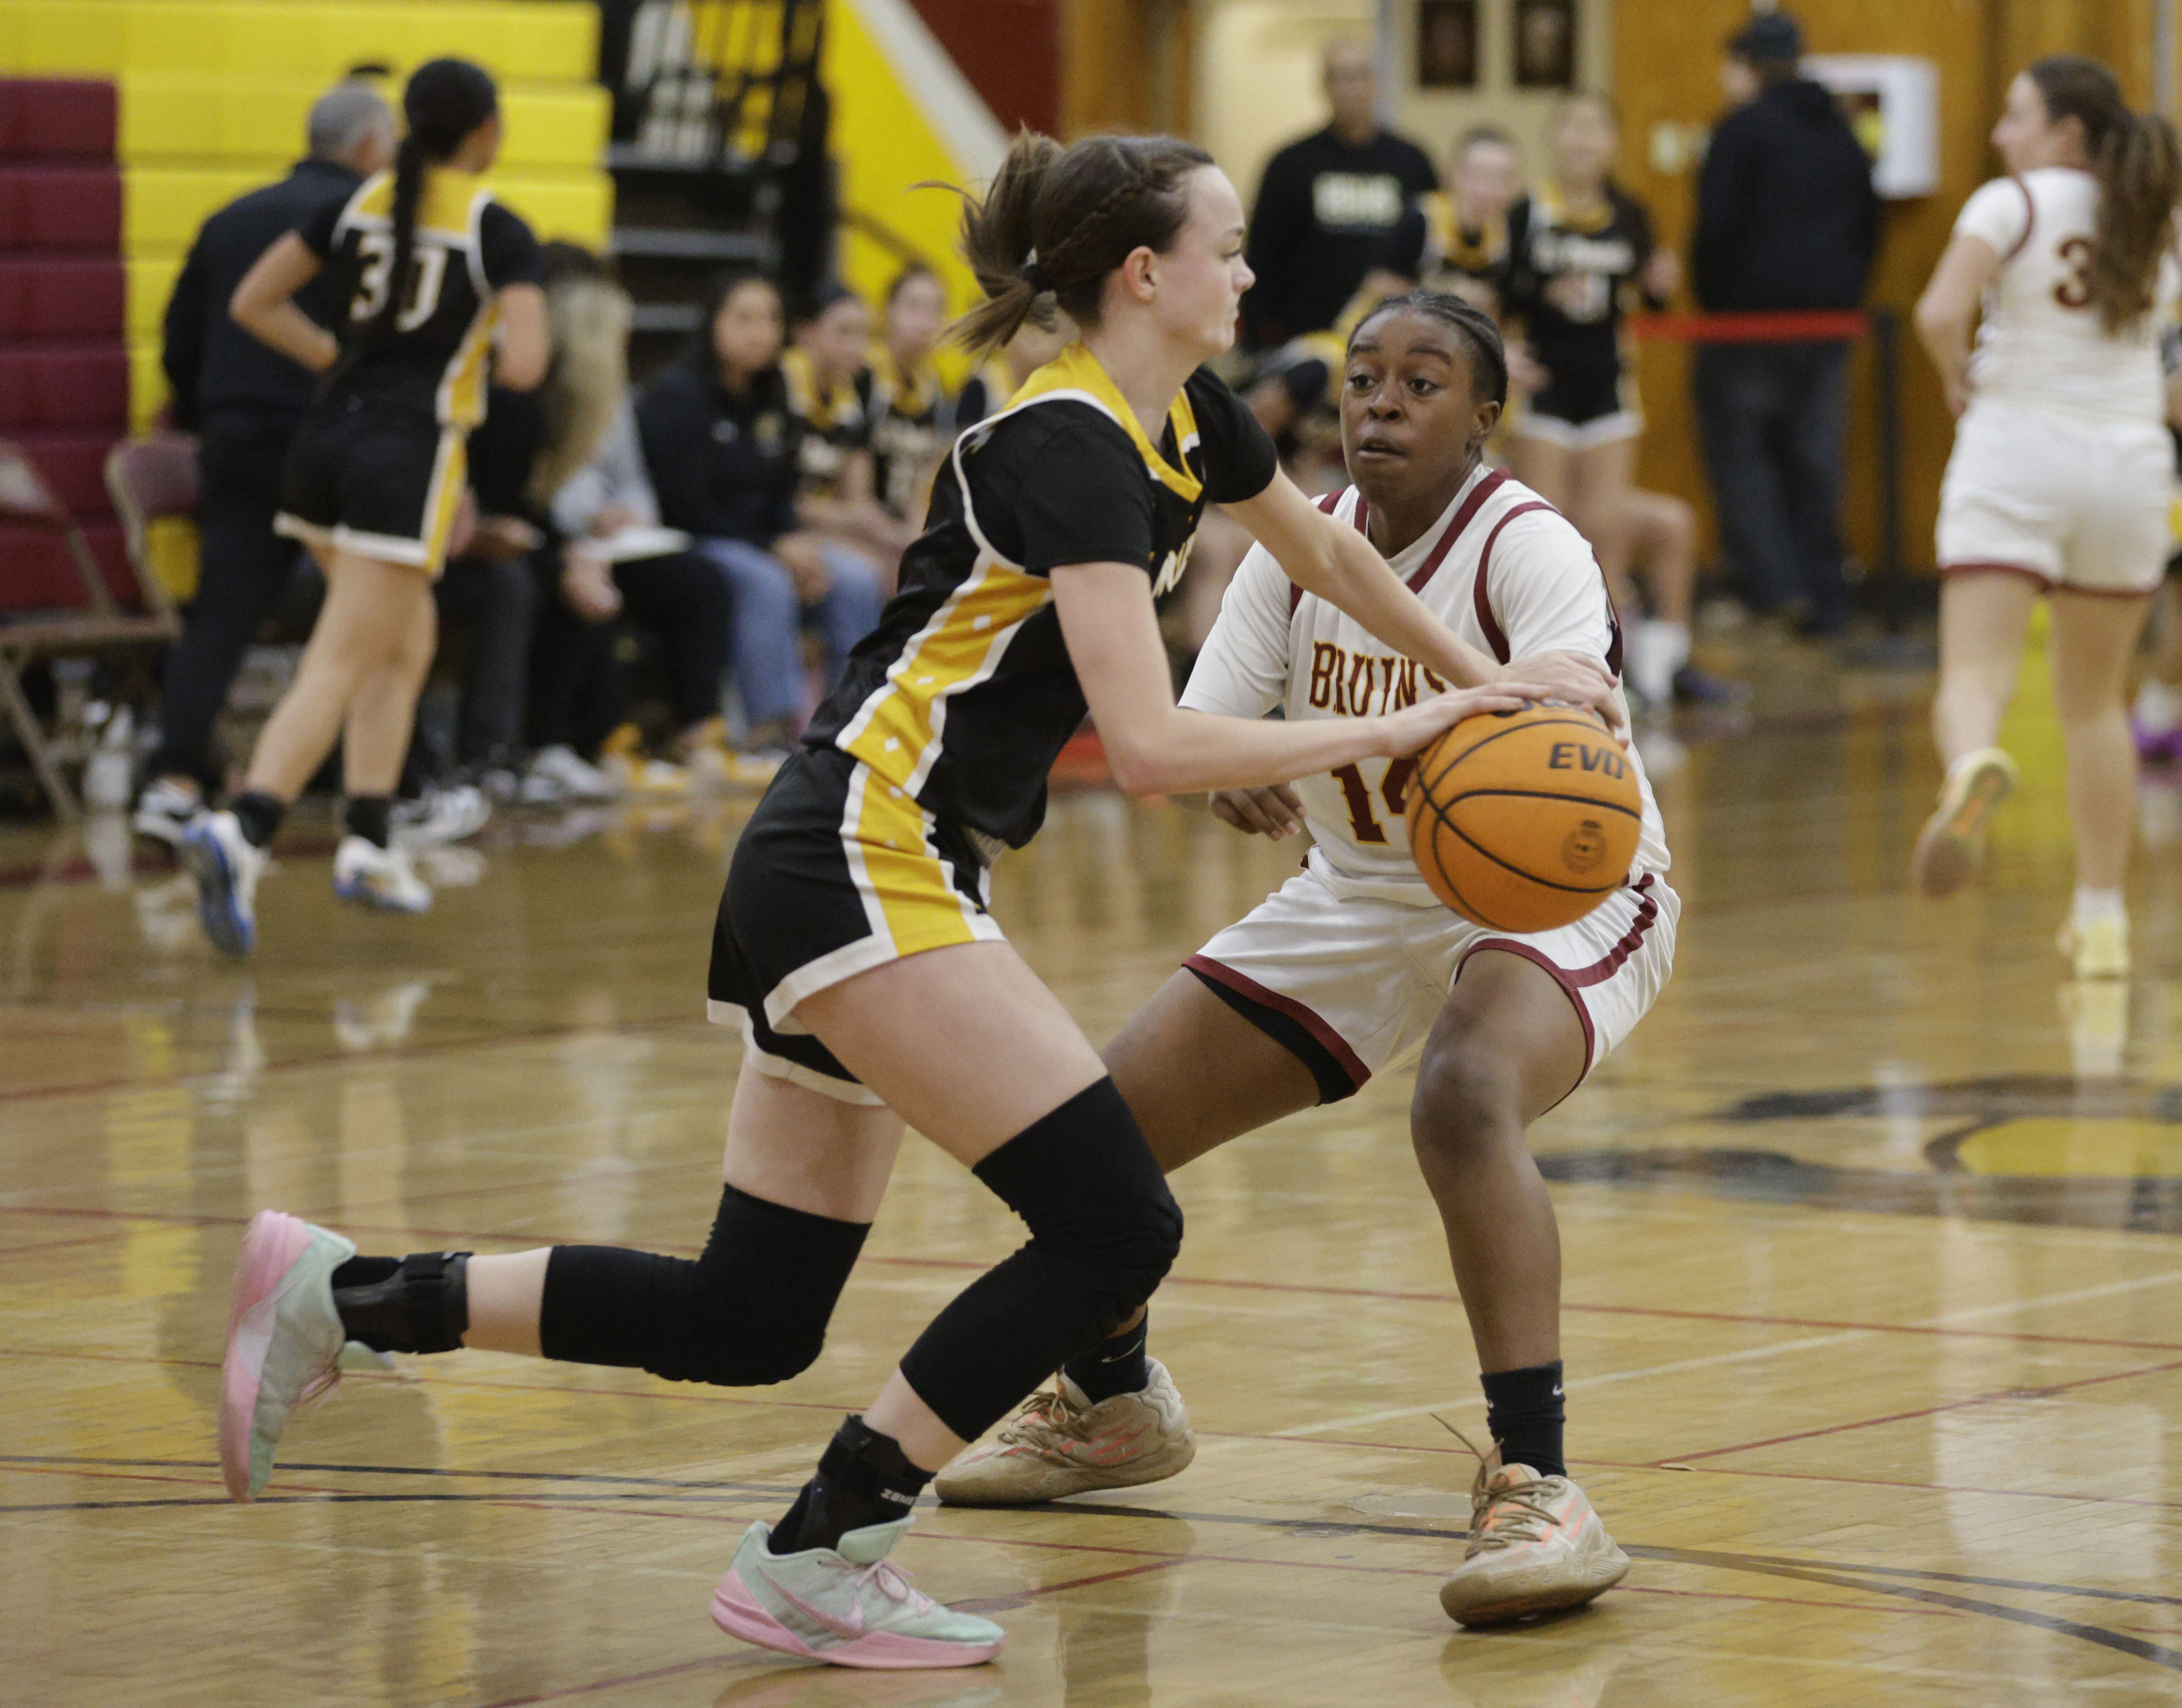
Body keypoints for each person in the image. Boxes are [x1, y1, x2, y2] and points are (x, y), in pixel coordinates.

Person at [217, 130, 1619, 1671]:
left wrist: (1487, 682)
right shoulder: (1069, 445)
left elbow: (1336, 569)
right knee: (1113, 1225)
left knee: (750, 1315)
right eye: (1225, 247)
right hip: (860, 850)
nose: (1246, 272)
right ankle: (826, 1542)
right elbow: (1150, 748)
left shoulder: (1188, 416)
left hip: (856, 858)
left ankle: (348, 1296)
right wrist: (1414, 723)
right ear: (1143, 273)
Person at [930, 291, 1674, 1629]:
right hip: (1359, 891)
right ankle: (1111, 1402)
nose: (1381, 402)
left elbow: (1563, 724)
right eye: (1364, 378)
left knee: (1464, 1096)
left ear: (1482, 417)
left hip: (1551, 890)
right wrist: (1237, 773)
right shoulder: (1296, 550)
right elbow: (1199, 737)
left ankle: (1539, 1480)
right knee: (1093, 1137)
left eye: (1421, 382)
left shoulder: (1527, 543)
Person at [178, 60, 547, 956]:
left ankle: (371, 841)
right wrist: (463, 356)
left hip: (324, 442)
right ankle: (246, 827)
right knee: (346, 652)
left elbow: (253, 302)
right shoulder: (494, 226)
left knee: (404, 639)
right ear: (487, 131)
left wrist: (337, 358)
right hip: (404, 455)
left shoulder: (359, 202)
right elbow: (527, 365)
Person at [1910, 56, 2182, 978]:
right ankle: (2102, 920)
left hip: (2017, 445)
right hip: (2128, 463)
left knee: (1974, 672)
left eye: (2014, 115)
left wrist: (1955, 375)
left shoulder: (2009, 203)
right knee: (2095, 704)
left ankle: (1972, 768)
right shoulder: (2156, 219)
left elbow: (1937, 312)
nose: (1999, 135)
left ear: (2064, 133)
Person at [133, 82, 397, 846]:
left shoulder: (231, 217)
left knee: (222, 615)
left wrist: (211, 418)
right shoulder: (368, 222)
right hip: (334, 443)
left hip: (239, 441)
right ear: (367, 146)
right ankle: (392, 790)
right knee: (375, 618)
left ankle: (174, 781)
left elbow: (181, 340)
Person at [638, 269, 882, 756]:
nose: (760, 332)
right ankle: (770, 733)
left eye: (771, 319)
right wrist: (776, 546)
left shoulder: (771, 397)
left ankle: (848, 728)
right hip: (695, 541)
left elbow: (780, 493)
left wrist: (796, 540)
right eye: (744, 319)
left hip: (760, 541)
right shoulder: (677, 396)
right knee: (766, 581)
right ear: (713, 322)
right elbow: (686, 508)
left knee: (857, 578)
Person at [1690, 10, 1879, 635]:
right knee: (1815, 461)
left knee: (1742, 456)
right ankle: (1826, 594)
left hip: (1746, 325)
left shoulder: (1740, 130)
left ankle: (1774, 589)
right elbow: (1867, 226)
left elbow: (1715, 229)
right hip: (1827, 325)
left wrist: (1714, 304)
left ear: (1747, 65)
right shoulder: (1843, 131)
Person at [526, 244, 736, 798]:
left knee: (701, 580)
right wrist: (588, 518)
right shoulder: (540, 390)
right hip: (564, 535)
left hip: (615, 540)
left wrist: (632, 514)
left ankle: (698, 732)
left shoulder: (613, 389)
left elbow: (634, 476)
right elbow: (541, 482)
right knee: (584, 590)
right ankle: (597, 740)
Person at [1242, 39, 1438, 348]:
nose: (1351, 88)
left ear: (1376, 83)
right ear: (1324, 87)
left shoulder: (1412, 162)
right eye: (1340, 78)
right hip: (1307, 340)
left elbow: (1435, 247)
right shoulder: (1289, 164)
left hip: (1398, 341)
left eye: (1359, 76)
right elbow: (1263, 255)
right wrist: (1259, 336)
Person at [866, 264, 953, 526]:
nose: (925, 322)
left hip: (904, 525)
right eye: (914, 307)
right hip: (859, 524)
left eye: (936, 310)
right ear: (888, 309)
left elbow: (929, 481)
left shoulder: (937, 389)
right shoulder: (865, 373)